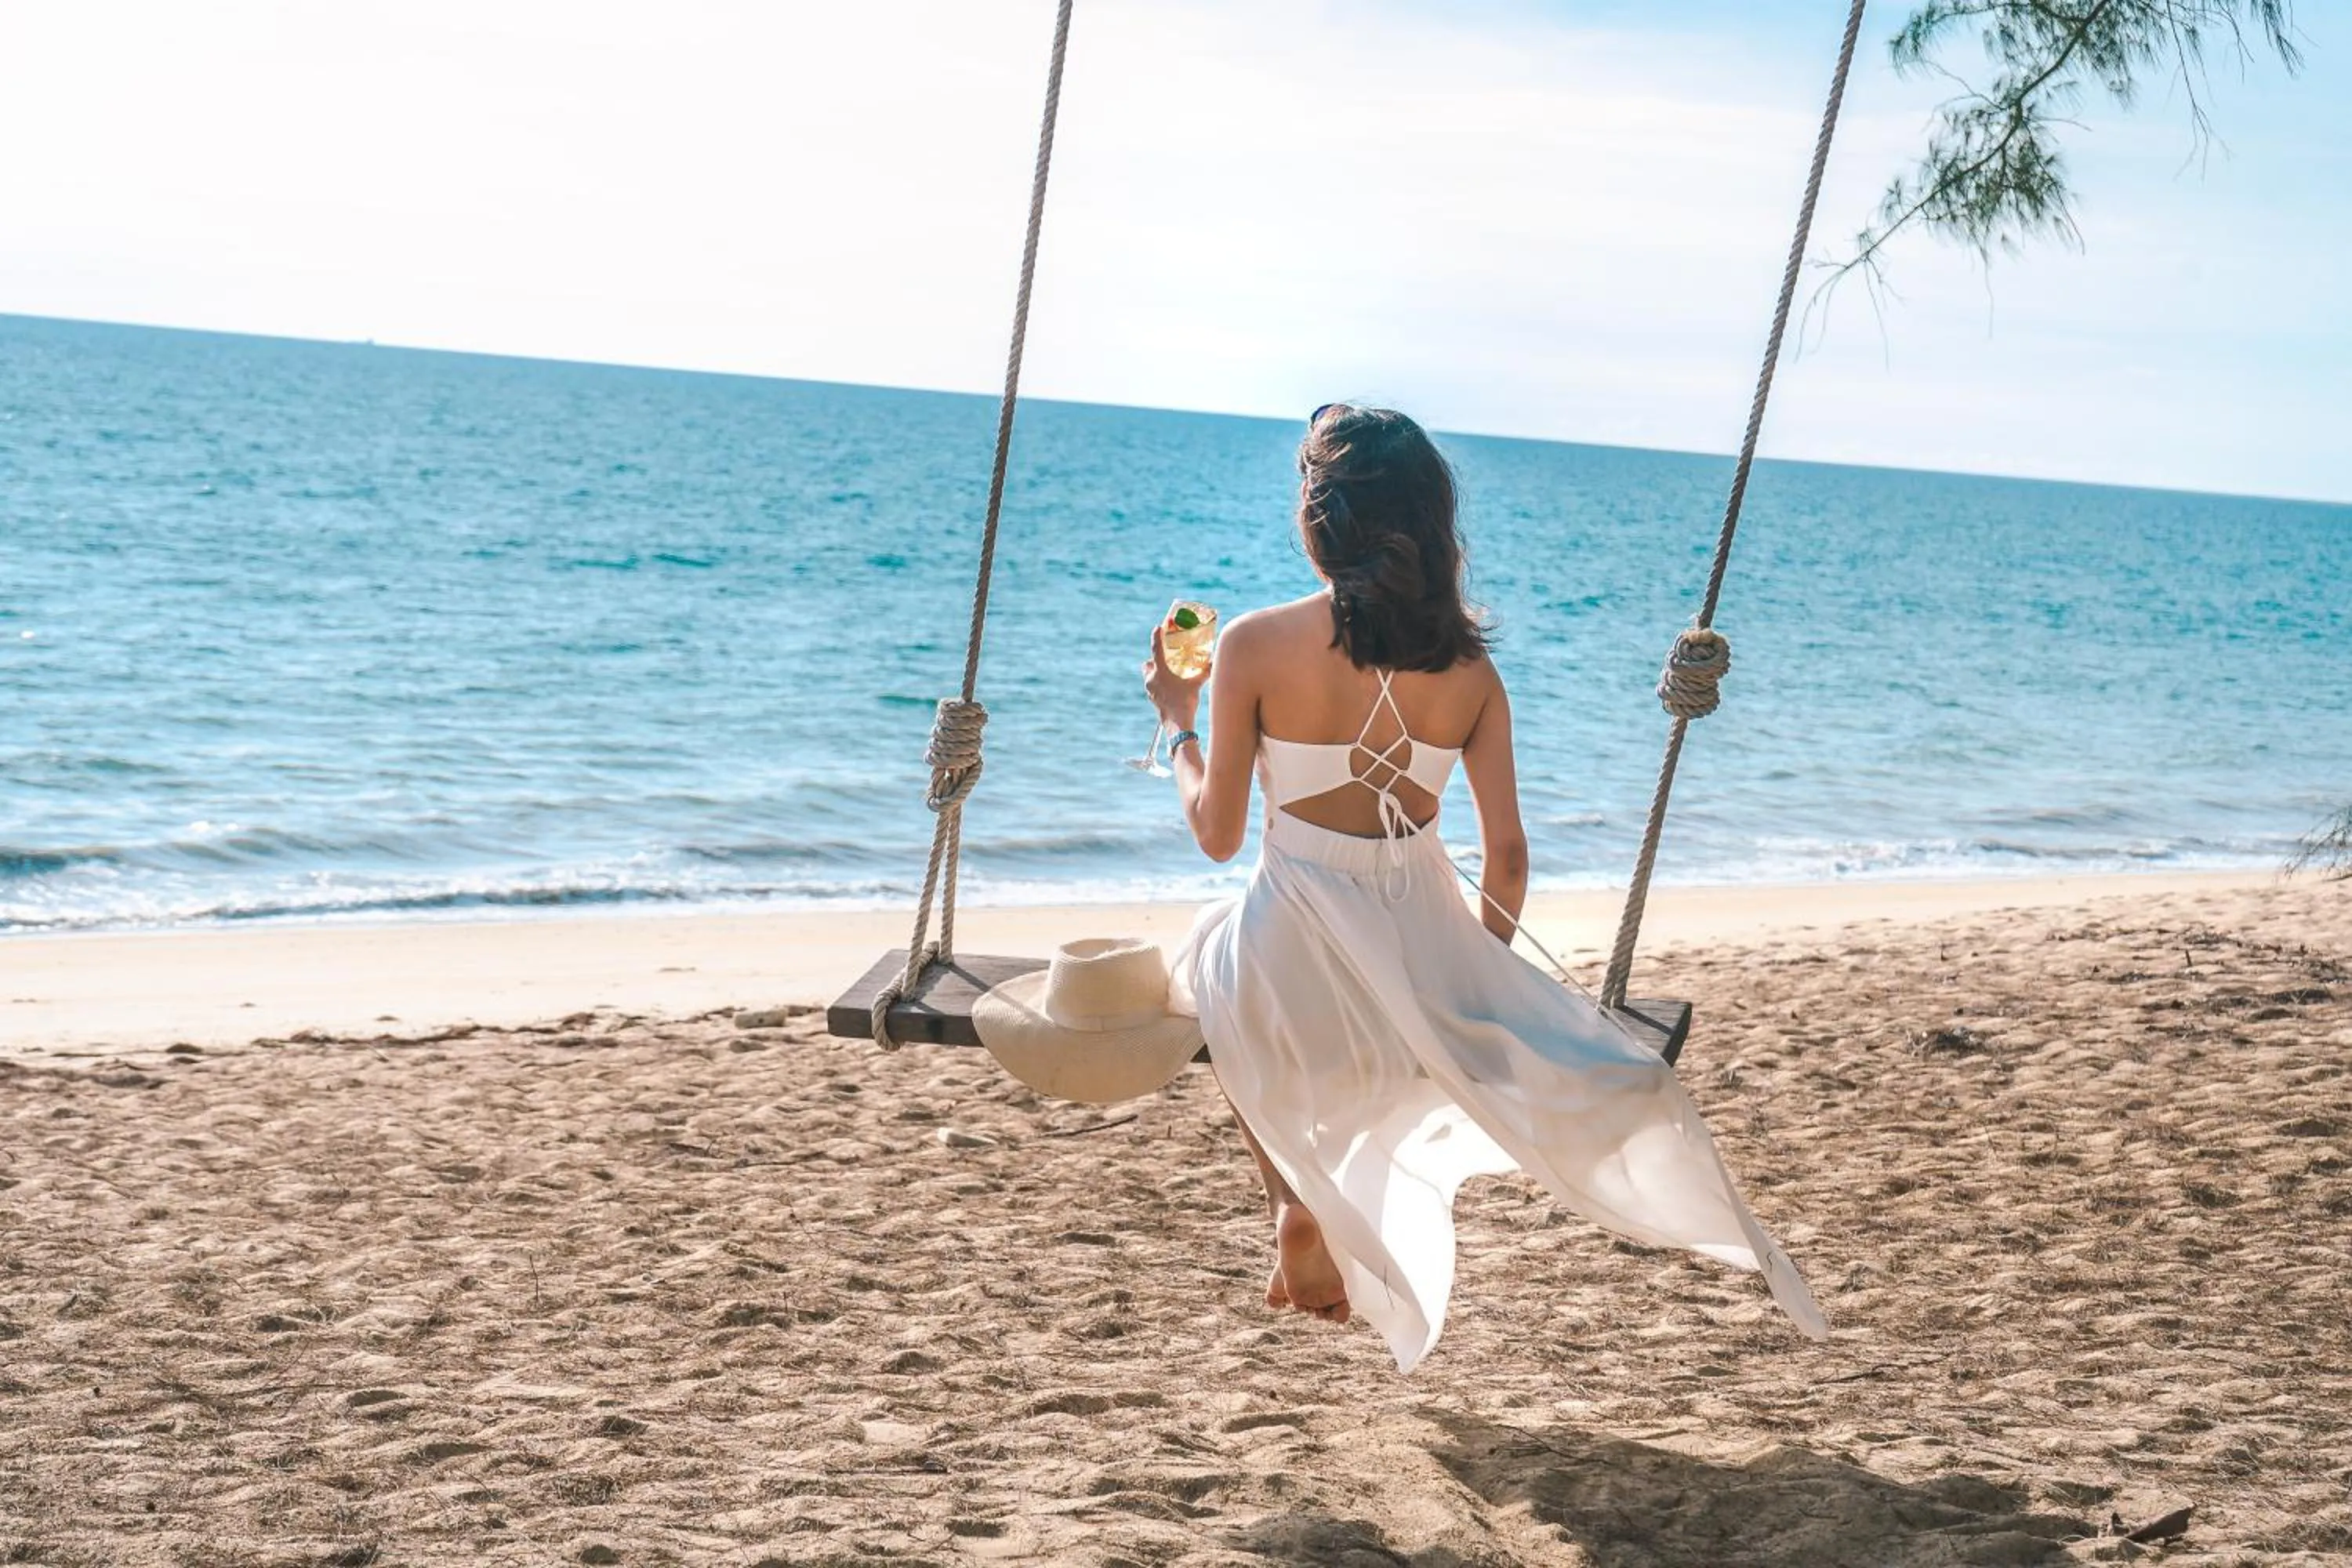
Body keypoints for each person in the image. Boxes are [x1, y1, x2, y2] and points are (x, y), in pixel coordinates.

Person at [1146, 403, 1826, 1373]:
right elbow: (1506, 855)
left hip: (1287, 943)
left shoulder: (1254, 644)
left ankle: (1293, 1201)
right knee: (1311, 992)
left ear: (1317, 519)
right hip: (1420, 953)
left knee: (1215, 958)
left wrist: (1178, 721)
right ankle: (1306, 1204)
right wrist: (1465, 979)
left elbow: (1216, 835)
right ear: (1429, 525)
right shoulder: (1470, 671)